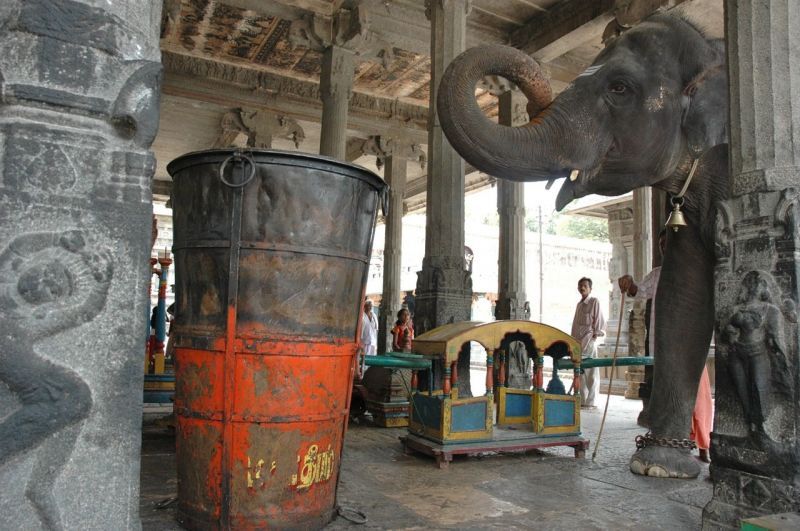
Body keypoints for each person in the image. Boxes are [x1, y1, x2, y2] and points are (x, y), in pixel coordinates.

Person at [618, 230, 713, 462]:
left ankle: (704, 446)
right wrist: (628, 283)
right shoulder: (657, 274)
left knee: (698, 399)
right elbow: (638, 292)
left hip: (690, 348)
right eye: (661, 244)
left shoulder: (693, 271)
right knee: (664, 395)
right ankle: (668, 440)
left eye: (668, 243)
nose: (664, 248)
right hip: (662, 348)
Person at [570, 277, 606, 409]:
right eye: (580, 285)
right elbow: (575, 326)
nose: (582, 288)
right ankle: (582, 400)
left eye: (585, 285)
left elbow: (599, 321)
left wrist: (596, 334)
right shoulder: (579, 305)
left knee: (591, 372)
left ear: (590, 288)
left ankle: (591, 402)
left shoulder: (594, 302)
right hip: (578, 344)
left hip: (589, 341)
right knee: (581, 372)